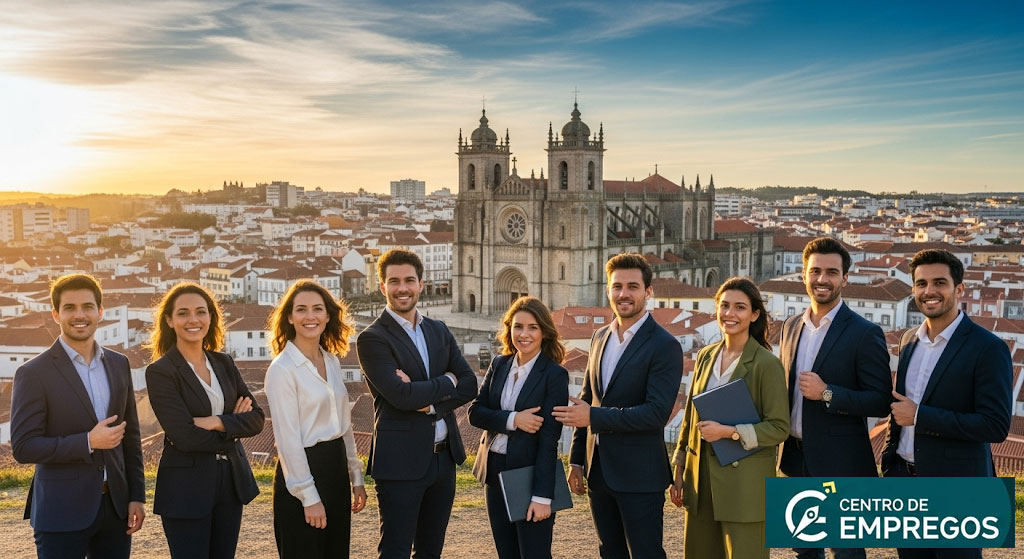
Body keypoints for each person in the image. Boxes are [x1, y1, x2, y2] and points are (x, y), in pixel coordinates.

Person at [881, 249, 1012, 559]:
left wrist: (921, 416)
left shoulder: (988, 348)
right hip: (906, 485)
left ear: (959, 289)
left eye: (939, 282)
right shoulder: (909, 339)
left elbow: (995, 425)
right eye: (921, 283)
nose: (929, 291)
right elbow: (900, 408)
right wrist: (890, 464)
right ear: (913, 289)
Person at [552, 252, 683, 559]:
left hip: (640, 475)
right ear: (608, 291)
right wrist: (575, 461)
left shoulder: (665, 345)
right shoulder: (599, 336)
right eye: (617, 286)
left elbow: (656, 414)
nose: (624, 294)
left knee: (646, 554)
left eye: (633, 286)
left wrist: (593, 417)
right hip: (598, 471)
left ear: (648, 292)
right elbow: (587, 397)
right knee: (609, 552)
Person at [11, 273, 145, 559]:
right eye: (69, 308)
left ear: (100, 311)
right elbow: (23, 447)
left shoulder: (119, 364)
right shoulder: (33, 373)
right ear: (56, 314)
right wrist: (87, 441)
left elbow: (130, 438)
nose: (79, 315)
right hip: (60, 510)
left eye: (87, 306)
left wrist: (136, 497)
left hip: (115, 507)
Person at [356, 248, 478, 559]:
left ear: (421, 284)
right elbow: (401, 396)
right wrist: (446, 381)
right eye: (394, 281)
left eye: (409, 280)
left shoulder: (437, 329)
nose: (402, 288)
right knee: (395, 551)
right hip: (399, 462)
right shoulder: (372, 338)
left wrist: (432, 402)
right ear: (382, 286)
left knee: (430, 551)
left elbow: (469, 385)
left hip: (443, 461)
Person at [778, 238, 892, 559]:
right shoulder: (790, 327)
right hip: (794, 461)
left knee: (846, 551)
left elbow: (880, 401)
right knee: (804, 550)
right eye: (815, 271)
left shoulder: (864, 332)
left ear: (845, 278)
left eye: (831, 272)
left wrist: (827, 393)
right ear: (803, 275)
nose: (822, 279)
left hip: (840, 464)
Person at [669, 277, 790, 559]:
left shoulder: (767, 364)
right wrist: (679, 468)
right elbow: (689, 418)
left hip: (745, 484)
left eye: (739, 307)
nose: (730, 314)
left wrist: (729, 432)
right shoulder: (705, 356)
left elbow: (779, 428)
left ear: (754, 314)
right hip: (701, 479)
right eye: (724, 306)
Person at [145, 282, 265, 559]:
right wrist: (233, 423)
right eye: (184, 313)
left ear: (211, 317)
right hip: (186, 487)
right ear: (169, 320)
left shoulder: (223, 362)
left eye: (201, 312)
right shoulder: (161, 372)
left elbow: (257, 419)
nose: (193, 320)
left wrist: (216, 422)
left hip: (230, 482)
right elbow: (184, 436)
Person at [265, 280, 368, 558]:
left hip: (335, 471)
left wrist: (355, 475)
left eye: (317, 309)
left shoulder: (332, 361)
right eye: (301, 309)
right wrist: (308, 498)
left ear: (328, 315)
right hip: (302, 474)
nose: (310, 316)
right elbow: (287, 442)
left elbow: (343, 426)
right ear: (289, 317)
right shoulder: (282, 370)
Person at [468, 296, 570, 559]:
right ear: (509, 328)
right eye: (518, 326)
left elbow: (549, 441)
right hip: (494, 473)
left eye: (532, 327)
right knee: (507, 553)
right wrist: (514, 420)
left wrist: (542, 497)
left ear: (544, 332)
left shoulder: (554, 375)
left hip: (530, 474)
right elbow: (475, 413)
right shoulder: (499, 364)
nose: (524, 334)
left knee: (534, 554)